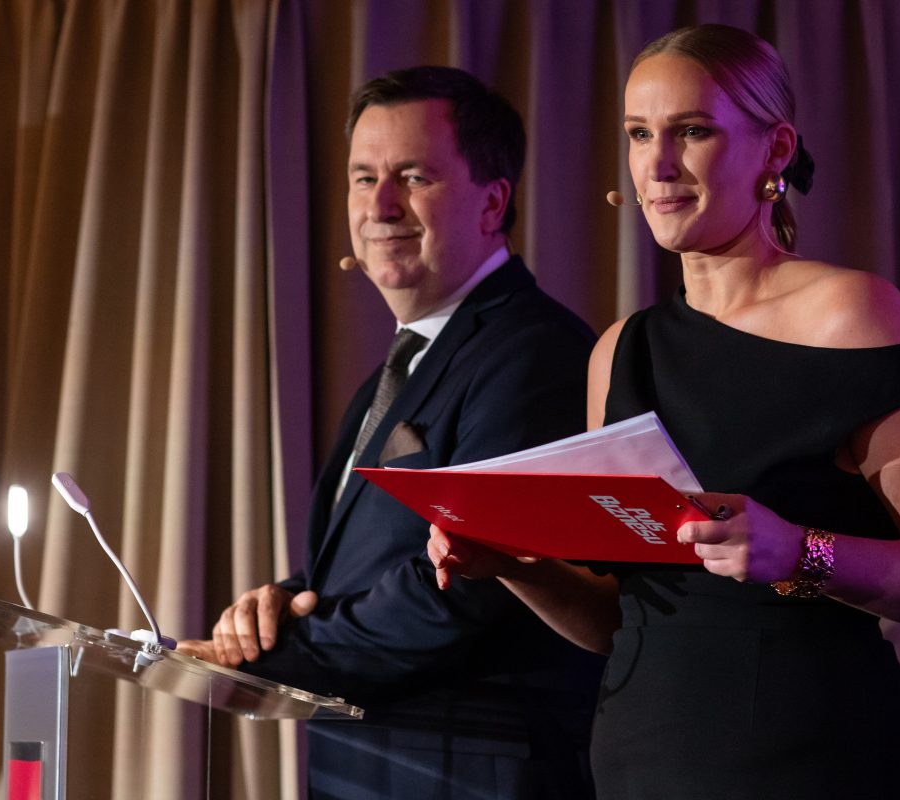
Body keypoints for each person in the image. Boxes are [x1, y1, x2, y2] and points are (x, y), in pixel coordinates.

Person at [428, 24, 900, 800]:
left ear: (775, 149)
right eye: (639, 134)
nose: (658, 164)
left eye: (692, 131)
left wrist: (800, 551)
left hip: (811, 757)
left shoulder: (850, 313)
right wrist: (511, 568)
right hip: (643, 759)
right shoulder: (619, 351)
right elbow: (623, 619)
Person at [180, 66, 604, 798]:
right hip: (378, 764)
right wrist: (279, 606)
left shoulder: (533, 352)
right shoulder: (406, 362)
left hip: (472, 771)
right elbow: (367, 565)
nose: (380, 205)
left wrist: (279, 657)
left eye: (412, 177)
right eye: (363, 177)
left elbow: (468, 584)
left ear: (492, 201)